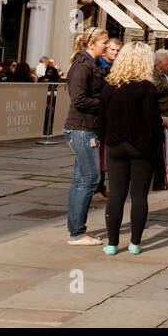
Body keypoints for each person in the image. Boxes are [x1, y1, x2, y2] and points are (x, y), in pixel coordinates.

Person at [96, 41, 163, 255]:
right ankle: (135, 243)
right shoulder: (147, 88)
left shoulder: (109, 86)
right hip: (141, 148)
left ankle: (112, 243)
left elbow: (101, 120)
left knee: (116, 195)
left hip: (115, 146)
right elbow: (152, 123)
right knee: (139, 196)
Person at [64, 28, 110, 246]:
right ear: (91, 44)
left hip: (87, 128)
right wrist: (105, 103)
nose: (107, 46)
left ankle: (75, 230)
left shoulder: (92, 65)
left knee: (80, 179)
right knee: (89, 178)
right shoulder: (82, 67)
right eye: (104, 42)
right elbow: (79, 99)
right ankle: (77, 232)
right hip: (82, 128)